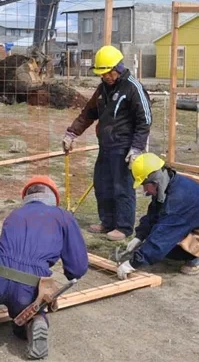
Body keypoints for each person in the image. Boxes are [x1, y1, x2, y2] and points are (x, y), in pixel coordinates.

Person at [0, 175, 88, 360]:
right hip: (30, 284)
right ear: (53, 198)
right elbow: (77, 268)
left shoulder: (15, 214)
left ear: (27, 197)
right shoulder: (63, 217)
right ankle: (35, 321)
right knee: (27, 311)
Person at [62, 45, 152, 241]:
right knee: (102, 185)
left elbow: (144, 120)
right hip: (106, 146)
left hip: (125, 148)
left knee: (122, 187)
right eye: (101, 74)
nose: (105, 77)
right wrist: (71, 133)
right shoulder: (102, 88)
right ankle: (107, 222)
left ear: (118, 68)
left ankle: (123, 227)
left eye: (107, 73)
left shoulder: (133, 88)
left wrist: (136, 148)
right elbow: (88, 113)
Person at [116, 153, 199, 280]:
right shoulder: (167, 183)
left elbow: (163, 236)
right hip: (196, 221)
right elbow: (153, 214)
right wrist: (140, 236)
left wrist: (133, 263)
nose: (145, 190)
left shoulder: (177, 200)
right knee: (154, 241)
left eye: (144, 185)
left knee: (166, 248)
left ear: (154, 180)